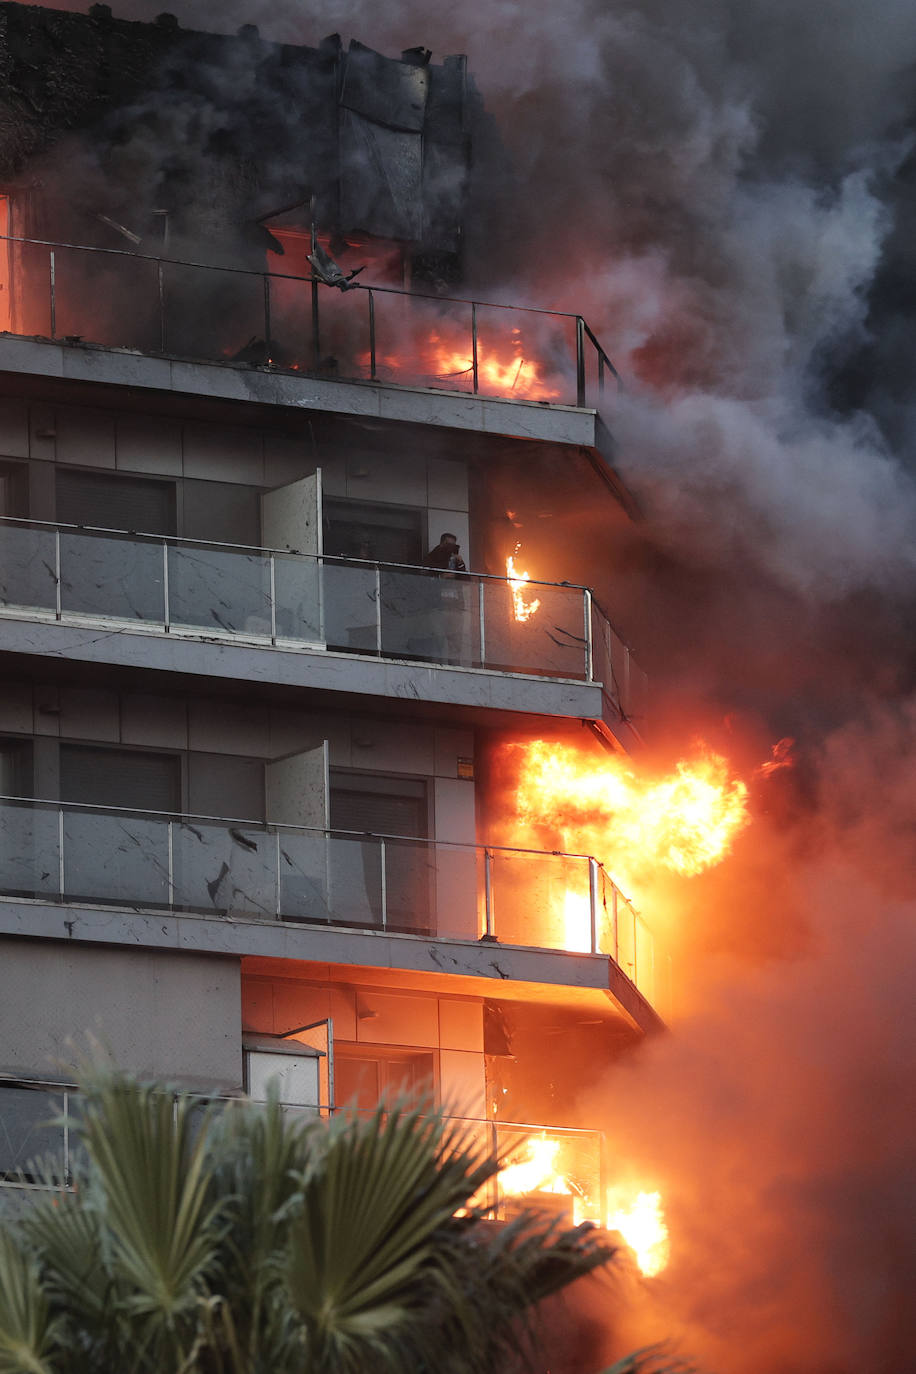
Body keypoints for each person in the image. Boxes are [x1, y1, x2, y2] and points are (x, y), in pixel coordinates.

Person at [421, 532, 469, 664]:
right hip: (438, 608)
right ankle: (436, 670)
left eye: (454, 546)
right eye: (448, 545)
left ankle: (454, 671)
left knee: (455, 643)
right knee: (437, 641)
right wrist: (441, 577)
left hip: (456, 609)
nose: (451, 548)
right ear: (442, 543)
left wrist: (460, 563)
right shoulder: (432, 558)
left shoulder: (456, 560)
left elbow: (466, 581)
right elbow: (423, 578)